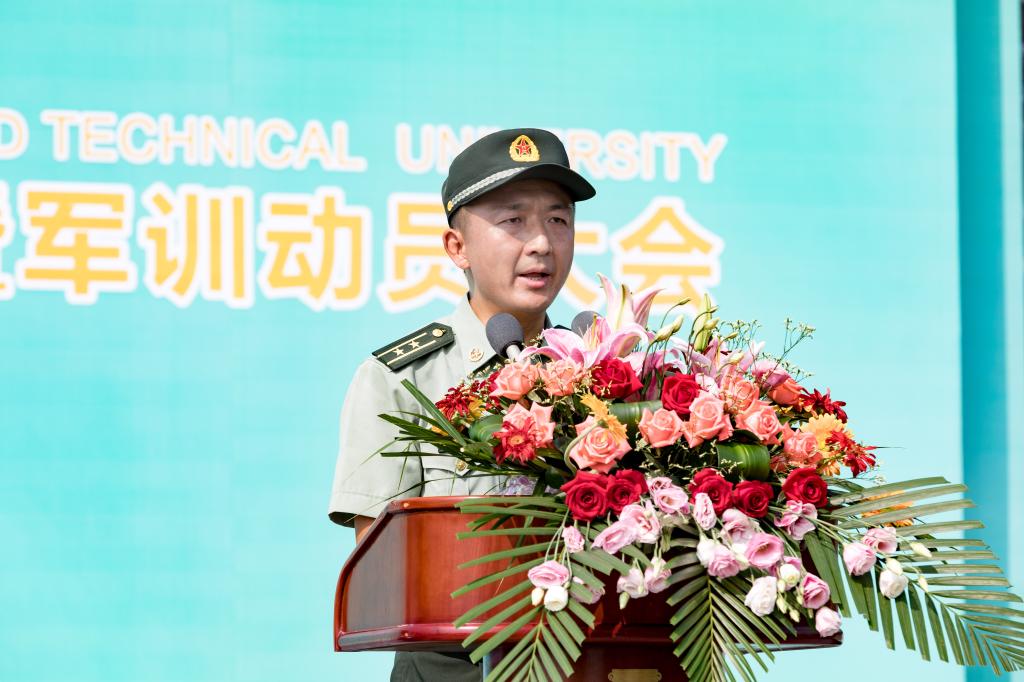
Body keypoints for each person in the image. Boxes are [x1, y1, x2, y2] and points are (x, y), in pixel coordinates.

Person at [328, 128, 595, 681]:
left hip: (592, 660)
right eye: (513, 220)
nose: (541, 243)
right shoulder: (402, 380)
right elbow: (384, 570)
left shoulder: (602, 373)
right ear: (457, 247)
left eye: (558, 219)